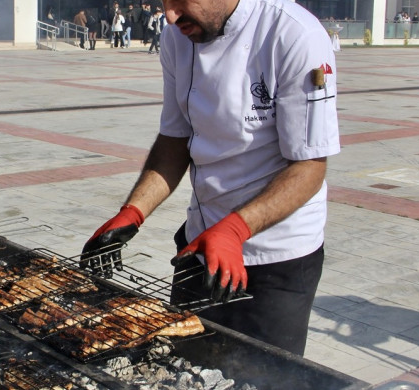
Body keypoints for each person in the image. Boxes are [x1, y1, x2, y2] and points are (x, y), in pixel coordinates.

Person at [80, 0, 339, 357]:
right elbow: (175, 139)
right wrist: (133, 212)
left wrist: (235, 230)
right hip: (200, 246)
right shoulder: (178, 36)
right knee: (182, 366)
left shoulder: (294, 34)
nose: (169, 16)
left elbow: (310, 166)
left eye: (178, 1)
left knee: (262, 379)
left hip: (276, 259)